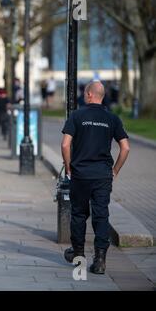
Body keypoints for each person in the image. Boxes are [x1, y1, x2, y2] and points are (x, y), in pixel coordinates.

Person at [61, 80, 130, 275]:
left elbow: (66, 145)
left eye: (85, 93)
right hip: (102, 175)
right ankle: (100, 260)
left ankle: (78, 254)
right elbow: (125, 147)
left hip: (80, 174)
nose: (84, 95)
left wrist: (68, 168)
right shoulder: (112, 119)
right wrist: (115, 170)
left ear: (90, 94)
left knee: (79, 214)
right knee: (101, 215)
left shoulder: (77, 116)